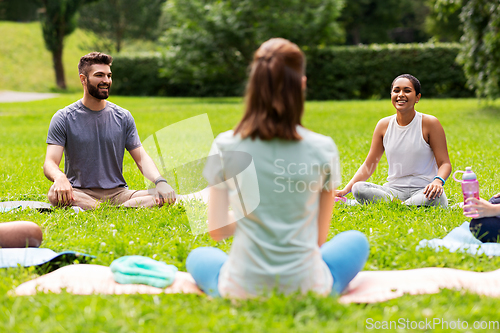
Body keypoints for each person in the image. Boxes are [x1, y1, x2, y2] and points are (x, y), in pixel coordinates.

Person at [185, 38, 369, 298]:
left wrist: (257, 220)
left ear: (254, 85)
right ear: (301, 84)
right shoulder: (323, 147)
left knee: (200, 257)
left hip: (242, 286)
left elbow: (216, 230)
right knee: (356, 241)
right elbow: (318, 238)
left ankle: (230, 287)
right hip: (306, 287)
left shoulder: (225, 144)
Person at [43, 52, 175, 210]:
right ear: (83, 79)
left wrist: (160, 182)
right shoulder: (64, 117)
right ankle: (119, 210)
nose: (106, 80)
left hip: (119, 194)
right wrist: (59, 177)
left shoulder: (123, 116)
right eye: (99, 75)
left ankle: (103, 209)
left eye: (109, 75)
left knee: (166, 195)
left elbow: (141, 158)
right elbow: (50, 162)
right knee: (53, 193)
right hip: (80, 192)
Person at [336, 74, 451, 207]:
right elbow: (369, 165)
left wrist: (437, 181)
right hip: (393, 191)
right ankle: (404, 206)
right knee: (359, 188)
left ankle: (396, 206)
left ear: (417, 97)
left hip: (424, 191)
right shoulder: (383, 125)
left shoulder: (430, 123)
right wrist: (345, 190)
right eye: (396, 90)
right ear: (391, 95)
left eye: (407, 91)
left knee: (437, 197)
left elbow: (445, 163)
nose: (401, 94)